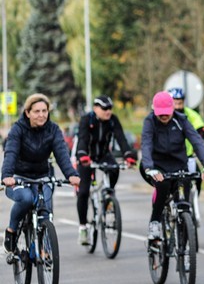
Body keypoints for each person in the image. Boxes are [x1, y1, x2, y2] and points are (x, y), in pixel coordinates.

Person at [3, 94, 80, 253]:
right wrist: (7, 176)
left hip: (43, 178)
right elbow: (10, 152)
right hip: (18, 178)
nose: (41, 115)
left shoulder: (53, 129)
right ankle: (11, 230)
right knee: (26, 199)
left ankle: (42, 251)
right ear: (27, 113)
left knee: (45, 212)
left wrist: (71, 174)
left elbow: (61, 154)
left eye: (44, 111)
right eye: (37, 111)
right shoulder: (18, 129)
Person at [140, 91, 204, 241]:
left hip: (178, 165)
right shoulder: (150, 122)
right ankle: (155, 222)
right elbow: (146, 144)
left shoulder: (182, 120)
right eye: (161, 114)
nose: (164, 117)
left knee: (184, 196)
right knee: (163, 185)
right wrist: (149, 167)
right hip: (155, 165)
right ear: (154, 110)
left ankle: (184, 237)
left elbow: (196, 142)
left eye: (167, 113)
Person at [74, 95, 138, 245]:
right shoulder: (86, 120)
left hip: (103, 155)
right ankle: (83, 227)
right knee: (83, 192)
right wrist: (82, 155)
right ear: (96, 108)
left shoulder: (113, 120)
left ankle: (109, 195)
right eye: (104, 109)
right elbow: (82, 139)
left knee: (115, 168)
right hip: (86, 156)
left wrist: (128, 155)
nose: (108, 111)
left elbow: (121, 139)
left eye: (110, 108)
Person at [168, 88, 204, 203]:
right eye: (175, 102)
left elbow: (201, 131)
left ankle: (192, 203)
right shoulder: (166, 116)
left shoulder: (190, 115)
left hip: (188, 155)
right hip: (171, 157)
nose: (178, 106)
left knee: (196, 178)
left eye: (180, 102)